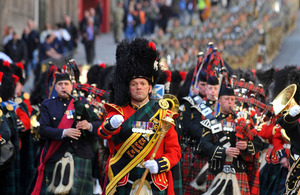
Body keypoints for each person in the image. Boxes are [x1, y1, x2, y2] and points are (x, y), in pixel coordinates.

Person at [98, 38, 181, 194]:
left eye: (142, 84)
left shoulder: (164, 114)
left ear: (150, 88)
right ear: (128, 89)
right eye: (134, 84)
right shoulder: (118, 111)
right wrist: (111, 125)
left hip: (154, 179)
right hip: (124, 177)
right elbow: (103, 132)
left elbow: (174, 151)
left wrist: (160, 164)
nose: (138, 87)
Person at [31, 73, 102, 195]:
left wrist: (88, 125)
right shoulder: (48, 105)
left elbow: (99, 124)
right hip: (56, 154)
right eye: (60, 84)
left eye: (66, 84)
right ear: (55, 87)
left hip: (81, 154)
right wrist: (64, 132)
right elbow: (43, 129)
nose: (63, 87)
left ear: (72, 86)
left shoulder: (83, 102)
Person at [200, 85, 263, 194]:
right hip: (217, 171)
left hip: (238, 170)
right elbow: (204, 145)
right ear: (219, 101)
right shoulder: (211, 122)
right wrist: (224, 151)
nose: (230, 102)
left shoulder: (243, 122)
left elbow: (258, 143)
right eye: (226, 99)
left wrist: (247, 146)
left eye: (232, 99)